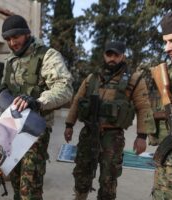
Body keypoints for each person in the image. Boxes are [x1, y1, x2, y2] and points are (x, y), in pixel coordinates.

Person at [64, 41, 156, 200]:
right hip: (89, 133)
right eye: (109, 54)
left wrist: (142, 136)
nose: (112, 58)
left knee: (109, 179)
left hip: (113, 137)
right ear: (104, 55)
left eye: (116, 55)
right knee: (82, 173)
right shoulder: (92, 78)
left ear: (123, 56)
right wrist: (69, 125)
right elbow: (77, 101)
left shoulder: (134, 79)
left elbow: (144, 108)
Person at [0, 15, 73, 200]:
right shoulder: (10, 61)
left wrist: (38, 101)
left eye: (15, 37)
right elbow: (4, 89)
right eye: (8, 39)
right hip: (11, 129)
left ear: (26, 33)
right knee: (15, 182)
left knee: (29, 188)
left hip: (35, 129)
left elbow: (64, 88)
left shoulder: (47, 55)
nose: (12, 42)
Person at [152, 12, 172, 199]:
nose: (167, 48)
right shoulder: (168, 72)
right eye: (165, 42)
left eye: (171, 41)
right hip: (167, 165)